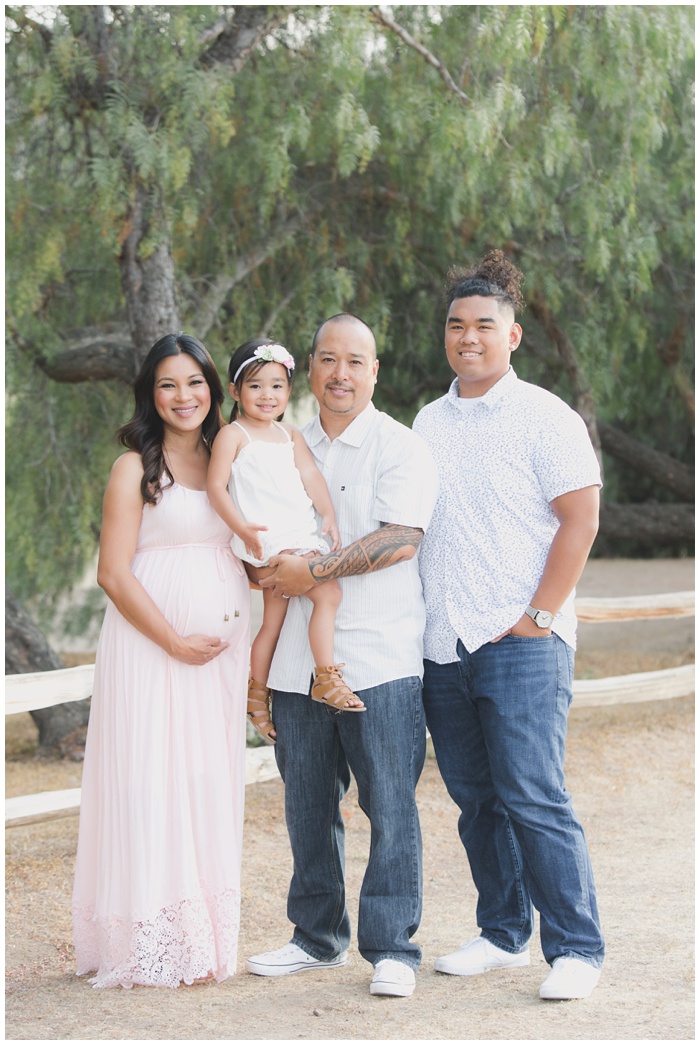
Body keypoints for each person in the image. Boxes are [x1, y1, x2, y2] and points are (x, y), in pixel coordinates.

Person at [413, 250, 605, 1001]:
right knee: (477, 800)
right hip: (444, 643)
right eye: (457, 325)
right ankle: (502, 934)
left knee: (533, 795)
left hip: (523, 640)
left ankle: (577, 946)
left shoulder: (544, 415)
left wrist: (539, 615)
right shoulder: (428, 420)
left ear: (513, 335)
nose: (469, 337)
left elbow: (581, 517)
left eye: (484, 326)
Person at [244, 313, 439, 998]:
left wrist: (315, 571)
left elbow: (401, 538)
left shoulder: (399, 446)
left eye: (355, 360)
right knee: (306, 804)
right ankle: (316, 935)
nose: (340, 373)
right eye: (328, 359)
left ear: (374, 371)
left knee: (388, 803)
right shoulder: (280, 443)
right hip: (297, 661)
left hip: (378, 657)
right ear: (310, 366)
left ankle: (392, 947)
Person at [72, 333, 250, 988]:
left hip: (220, 659)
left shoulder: (231, 457)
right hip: (151, 649)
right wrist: (174, 640)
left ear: (214, 388)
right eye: (168, 384)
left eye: (195, 382)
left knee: (205, 779)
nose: (184, 396)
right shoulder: (132, 469)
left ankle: (200, 934)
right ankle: (147, 939)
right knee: (151, 777)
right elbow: (113, 574)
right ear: (151, 394)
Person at [207, 337, 365, 740]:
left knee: (272, 625)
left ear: (288, 391)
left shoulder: (290, 435)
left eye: (277, 386)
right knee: (328, 595)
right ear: (235, 391)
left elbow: (311, 477)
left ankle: (256, 697)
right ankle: (326, 676)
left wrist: (327, 511)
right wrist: (240, 528)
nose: (267, 395)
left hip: (293, 535)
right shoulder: (234, 435)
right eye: (256, 385)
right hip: (268, 539)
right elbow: (216, 488)